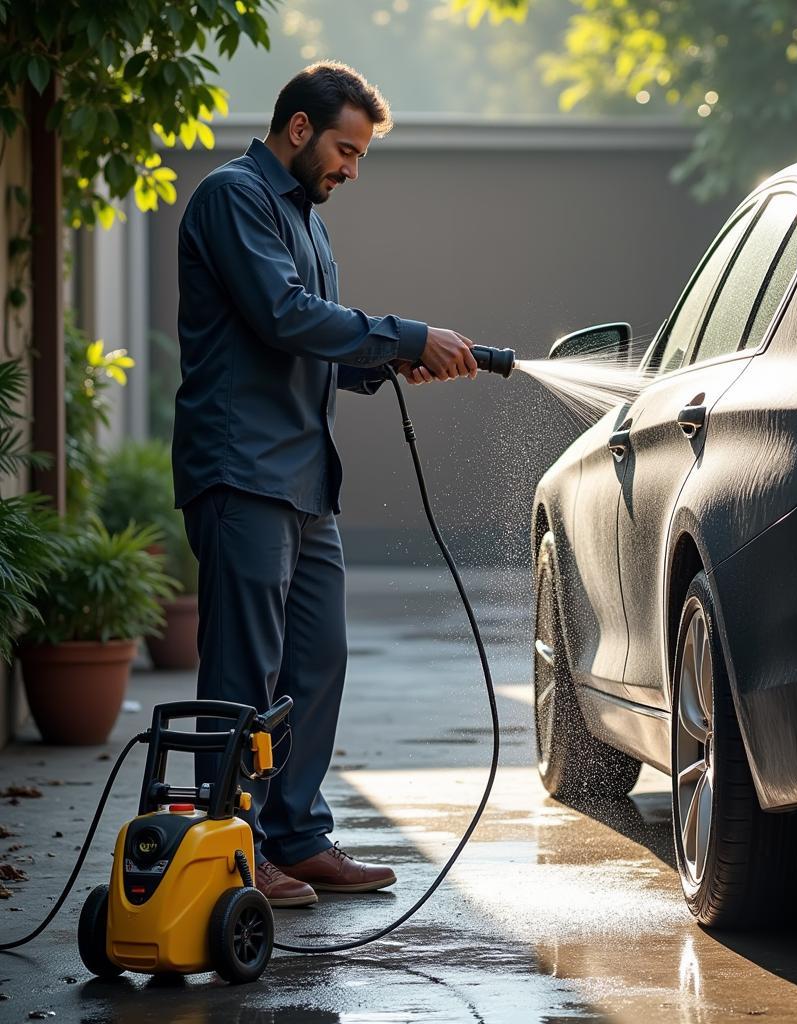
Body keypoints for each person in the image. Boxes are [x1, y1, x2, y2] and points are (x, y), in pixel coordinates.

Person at [172, 61, 478, 908]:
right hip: (243, 472)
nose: (352, 168)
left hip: (305, 479)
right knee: (245, 671)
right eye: (346, 148)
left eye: (362, 154)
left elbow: (311, 343)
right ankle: (230, 852)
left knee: (316, 661)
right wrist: (406, 332)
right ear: (300, 129)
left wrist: (392, 361)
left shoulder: (307, 219)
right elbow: (284, 316)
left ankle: (295, 837)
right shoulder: (233, 197)